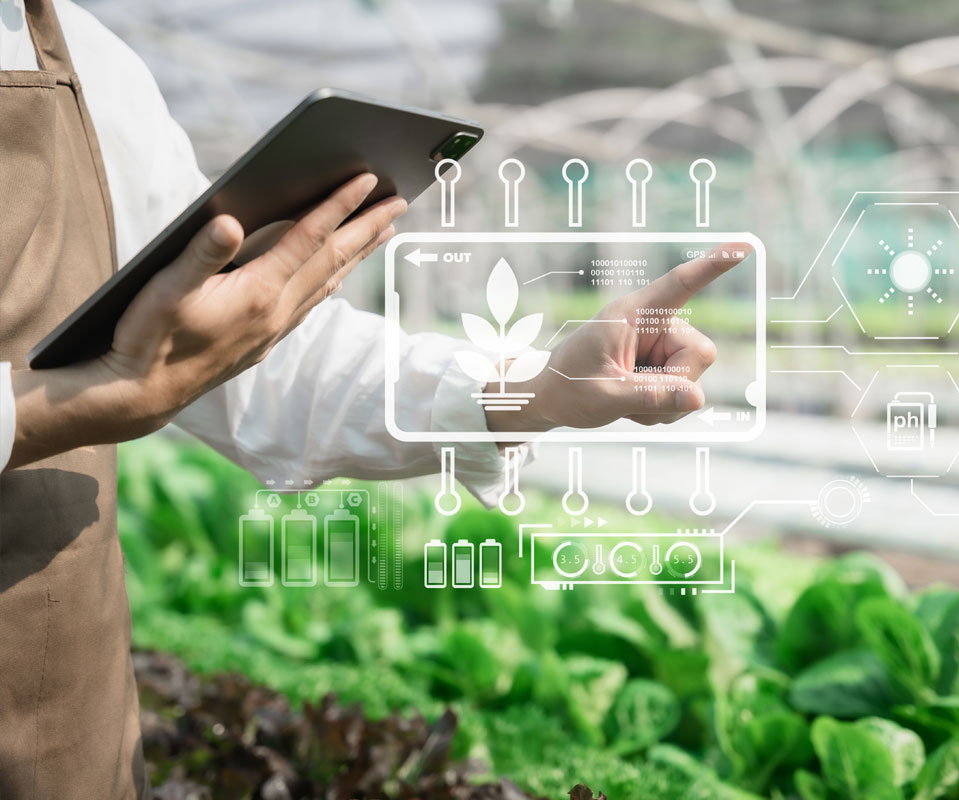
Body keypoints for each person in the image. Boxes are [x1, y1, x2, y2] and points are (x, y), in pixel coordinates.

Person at [0, 1, 744, 797]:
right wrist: (63, 408)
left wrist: (538, 385)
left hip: (59, 716)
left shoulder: (86, 55)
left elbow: (254, 367)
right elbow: (135, 377)